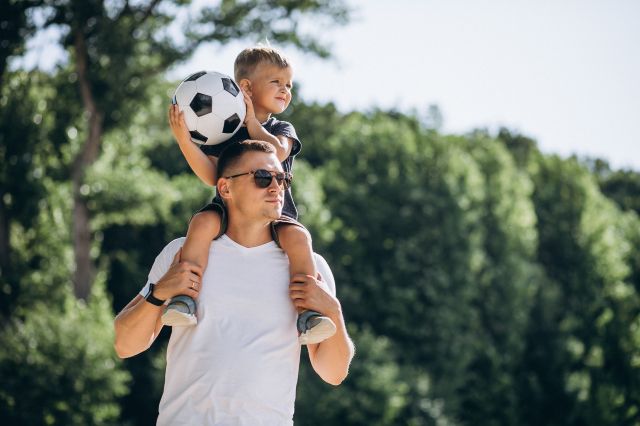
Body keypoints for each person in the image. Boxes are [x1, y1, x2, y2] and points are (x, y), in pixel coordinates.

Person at [114, 140, 354, 425]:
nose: (276, 188)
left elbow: (333, 373)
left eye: (282, 179)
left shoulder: (309, 268)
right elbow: (124, 345)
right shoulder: (182, 253)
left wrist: (334, 312)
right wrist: (159, 293)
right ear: (225, 188)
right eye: (263, 178)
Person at [166, 45, 335, 345]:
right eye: (276, 82)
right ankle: (184, 299)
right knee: (201, 225)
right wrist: (184, 141)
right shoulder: (223, 130)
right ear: (245, 87)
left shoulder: (281, 127)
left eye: (289, 85)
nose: (285, 90)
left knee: (300, 239)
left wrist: (252, 124)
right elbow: (211, 175)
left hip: (274, 215)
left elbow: (277, 151)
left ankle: (308, 315)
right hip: (228, 212)